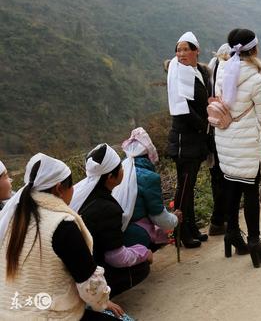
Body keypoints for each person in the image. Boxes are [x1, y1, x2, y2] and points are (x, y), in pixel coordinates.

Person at [0, 153, 123, 320]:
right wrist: (102, 303)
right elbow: (90, 283)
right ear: (59, 188)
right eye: (71, 186)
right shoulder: (61, 225)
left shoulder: (16, 219)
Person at [214, 28, 261, 268]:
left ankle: (233, 234)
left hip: (225, 140)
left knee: (232, 187)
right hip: (247, 141)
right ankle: (255, 242)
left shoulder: (221, 71)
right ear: (254, 49)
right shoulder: (256, 79)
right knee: (250, 191)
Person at [71, 144, 152, 298]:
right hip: (87, 272)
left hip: (77, 266)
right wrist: (143, 253)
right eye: (120, 167)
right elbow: (116, 258)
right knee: (142, 266)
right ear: (110, 177)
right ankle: (100, 296)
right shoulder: (106, 208)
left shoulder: (82, 194)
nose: (123, 170)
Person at [166, 31, 211, 248]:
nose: (181, 53)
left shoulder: (196, 72)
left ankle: (191, 227)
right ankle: (181, 233)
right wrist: (205, 125)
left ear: (196, 51)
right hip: (185, 139)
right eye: (178, 49)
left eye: (185, 49)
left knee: (189, 186)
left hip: (195, 139)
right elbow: (182, 110)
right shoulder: (178, 74)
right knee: (183, 188)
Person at [113, 128, 182, 251]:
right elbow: (159, 217)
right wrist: (175, 219)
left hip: (113, 232)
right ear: (149, 154)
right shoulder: (149, 178)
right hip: (133, 234)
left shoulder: (120, 170)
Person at [206, 43, 230, 236]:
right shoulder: (225, 72)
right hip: (223, 131)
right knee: (226, 177)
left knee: (217, 177)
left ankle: (218, 221)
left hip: (211, 131)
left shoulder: (210, 71)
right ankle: (222, 219)